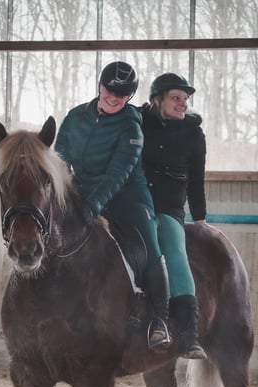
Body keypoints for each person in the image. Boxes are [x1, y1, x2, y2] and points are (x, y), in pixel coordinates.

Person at [54, 61, 172, 352]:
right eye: (110, 90)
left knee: (150, 245)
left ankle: (160, 321)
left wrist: (93, 205)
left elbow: (117, 174)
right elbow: (59, 157)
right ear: (100, 86)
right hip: (80, 193)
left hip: (127, 198)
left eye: (122, 95)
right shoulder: (74, 117)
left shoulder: (131, 126)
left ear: (129, 96)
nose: (114, 98)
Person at [139, 72, 208, 359]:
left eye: (185, 99)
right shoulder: (138, 122)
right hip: (137, 201)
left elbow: (196, 180)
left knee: (175, 251)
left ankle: (188, 336)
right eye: (176, 98)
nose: (183, 104)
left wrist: (200, 217)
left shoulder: (193, 133)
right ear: (158, 100)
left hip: (169, 207)